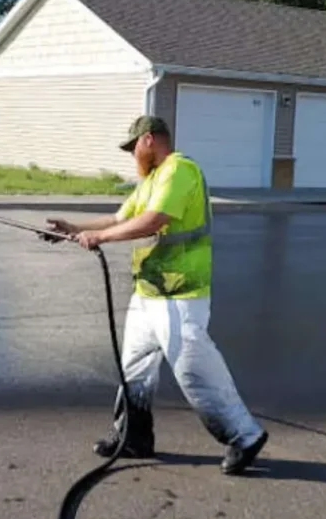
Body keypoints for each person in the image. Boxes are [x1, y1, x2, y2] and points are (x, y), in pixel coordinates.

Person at [46, 115, 268, 475]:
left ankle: (244, 435)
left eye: (133, 146)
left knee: (194, 368)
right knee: (134, 366)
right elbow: (119, 220)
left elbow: (154, 221)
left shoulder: (179, 170)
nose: (132, 154)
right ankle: (133, 437)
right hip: (149, 292)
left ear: (148, 139)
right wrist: (73, 230)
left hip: (180, 292)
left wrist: (99, 239)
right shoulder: (151, 180)